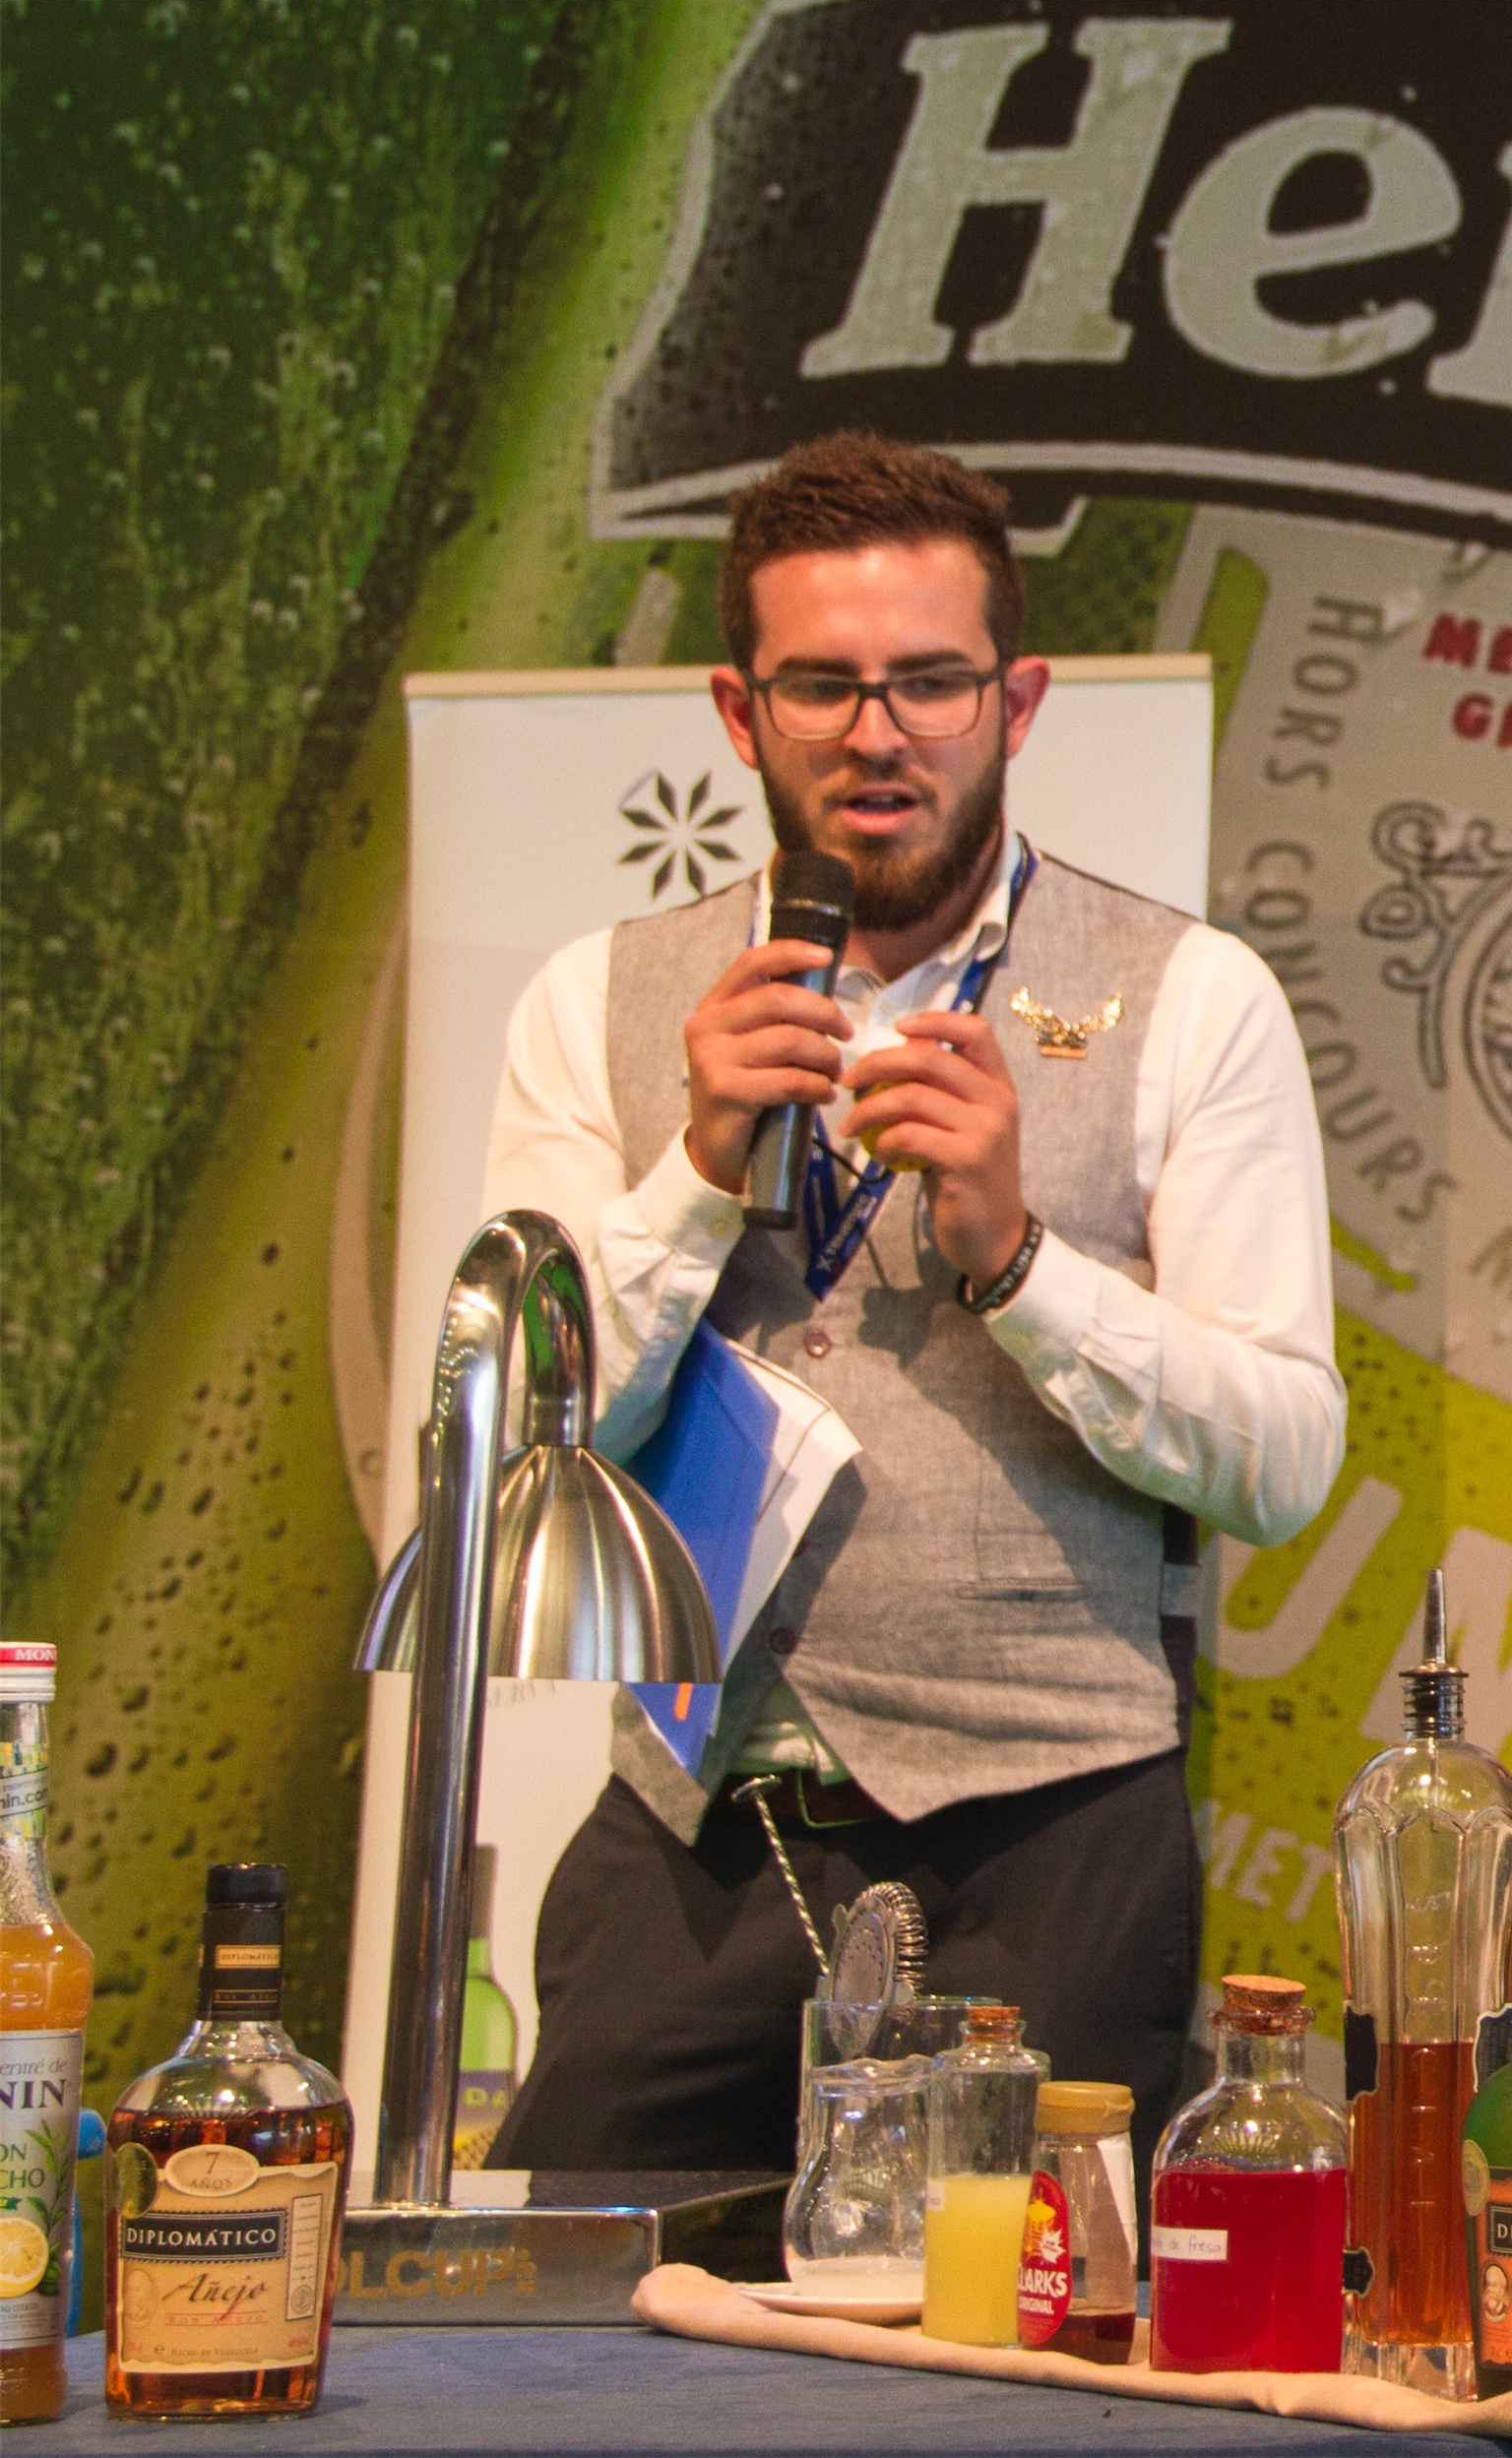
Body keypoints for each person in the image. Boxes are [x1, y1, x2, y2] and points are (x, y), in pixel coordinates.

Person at [483, 433, 1344, 2169]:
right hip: (700, 1824)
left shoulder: (1193, 997)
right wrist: (698, 1166)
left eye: (931, 683)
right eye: (823, 686)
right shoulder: (597, 1000)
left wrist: (1021, 1262)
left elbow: (1282, 1461)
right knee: (564, 2297)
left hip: (1051, 1833)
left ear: (1016, 700)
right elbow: (519, 1442)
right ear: (741, 713)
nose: (879, 734)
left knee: (1007, 2326)